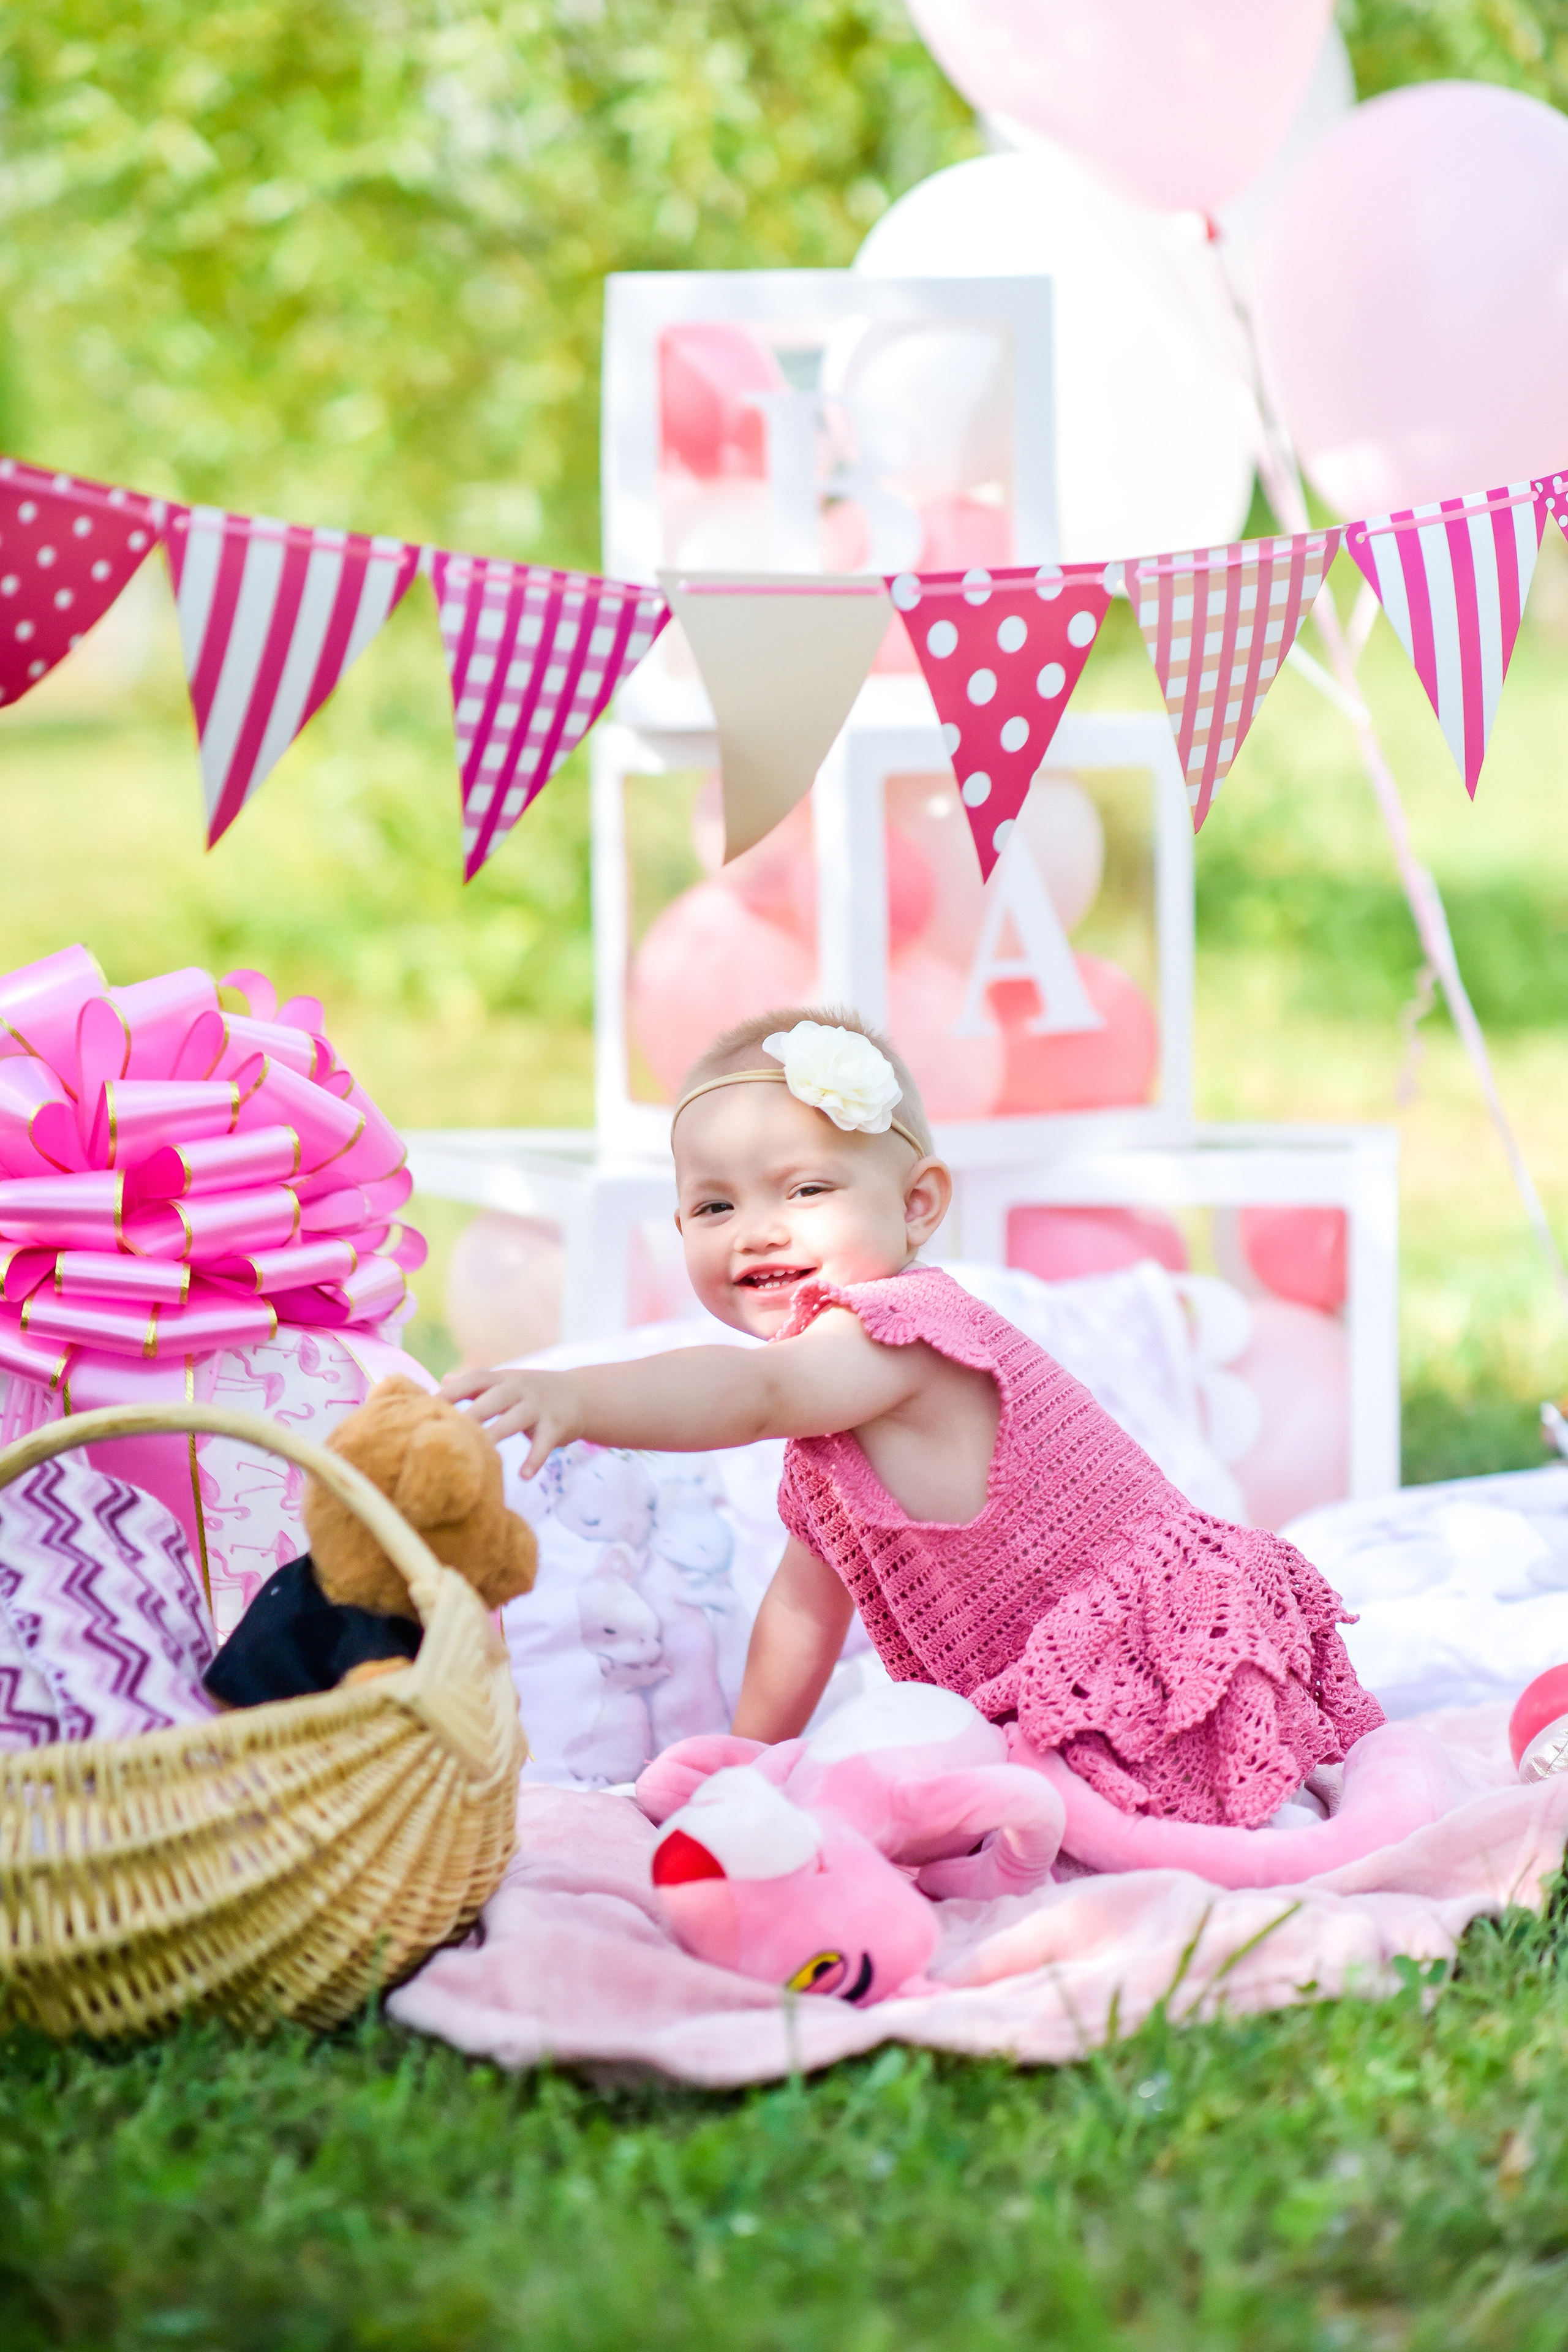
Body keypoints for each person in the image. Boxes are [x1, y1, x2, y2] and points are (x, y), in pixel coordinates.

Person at [442, 1009, 1382, 1828]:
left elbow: (750, 1392)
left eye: (807, 1189)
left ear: (918, 1203)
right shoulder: (829, 1429)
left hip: (1148, 1653)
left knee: (902, 1753)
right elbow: (801, 1613)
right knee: (880, 1737)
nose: (759, 1228)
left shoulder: (896, 1333)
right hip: (1056, 1685)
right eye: (715, 1204)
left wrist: (575, 1395)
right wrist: (743, 1765)